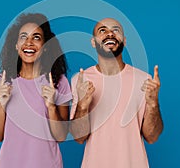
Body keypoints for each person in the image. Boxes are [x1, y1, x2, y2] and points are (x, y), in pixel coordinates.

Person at [69, 18, 163, 168]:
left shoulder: (143, 80)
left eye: (115, 30)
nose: (110, 34)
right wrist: (82, 105)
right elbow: (79, 138)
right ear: (93, 42)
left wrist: (153, 104)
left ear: (124, 41)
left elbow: (152, 137)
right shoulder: (80, 80)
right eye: (102, 31)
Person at [0, 13, 72, 168]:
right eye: (23, 37)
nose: (29, 43)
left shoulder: (59, 82)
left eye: (36, 37)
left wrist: (51, 106)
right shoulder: (2, 82)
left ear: (45, 47)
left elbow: (61, 136)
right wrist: (0, 105)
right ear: (16, 45)